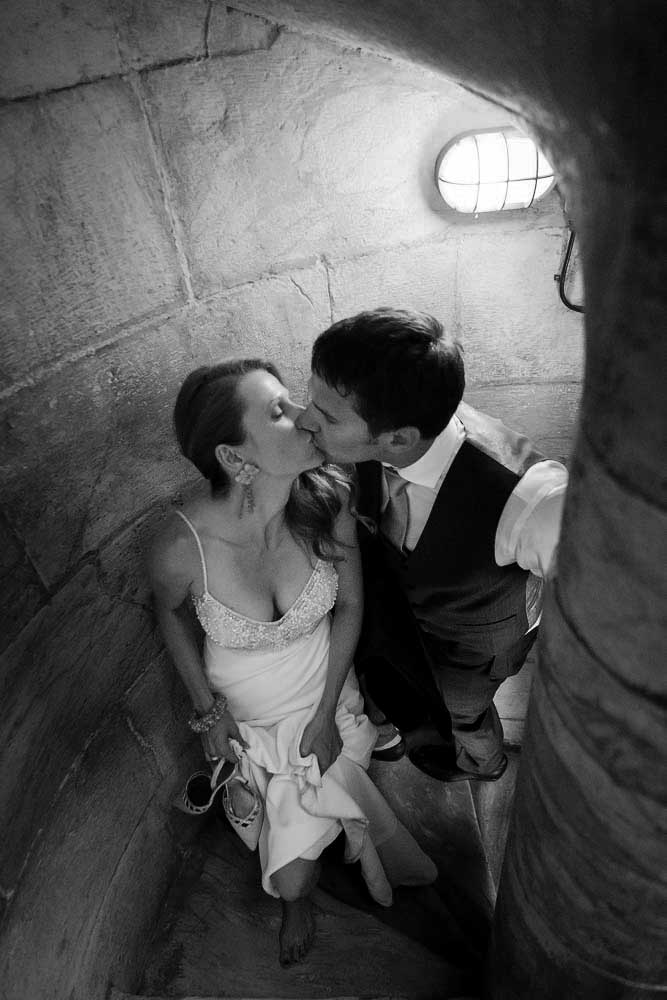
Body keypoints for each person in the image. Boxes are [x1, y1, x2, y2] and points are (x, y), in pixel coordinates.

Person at [147, 358, 437, 968]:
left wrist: (329, 710)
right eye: (279, 413)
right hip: (248, 714)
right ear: (234, 458)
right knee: (293, 863)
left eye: (293, 402)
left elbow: (351, 605)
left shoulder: (328, 499)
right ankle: (297, 896)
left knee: (309, 816)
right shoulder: (181, 547)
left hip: (326, 690)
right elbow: (169, 614)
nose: (305, 417)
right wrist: (208, 712)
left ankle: (303, 878)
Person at [296, 308, 568, 784]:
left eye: (326, 417)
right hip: (407, 626)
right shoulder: (381, 429)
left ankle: (487, 765)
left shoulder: (531, 500)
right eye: (310, 401)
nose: (303, 420)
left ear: (398, 438)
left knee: (466, 716)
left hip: (474, 650)